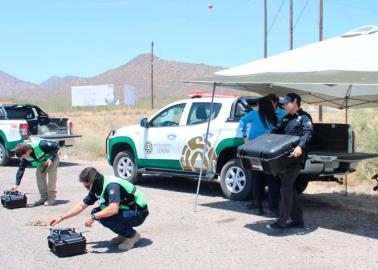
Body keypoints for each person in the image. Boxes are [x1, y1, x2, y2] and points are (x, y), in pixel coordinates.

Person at [49, 167, 149, 252]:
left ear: (93, 181)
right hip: (127, 210)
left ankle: (132, 236)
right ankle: (124, 234)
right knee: (97, 212)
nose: (86, 188)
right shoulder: (97, 186)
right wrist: (61, 217)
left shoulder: (111, 185)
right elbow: (81, 205)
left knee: (102, 217)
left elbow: (113, 209)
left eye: (87, 186)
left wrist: (94, 217)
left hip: (138, 213)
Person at [267, 93, 313, 232]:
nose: (285, 106)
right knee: (289, 189)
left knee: (285, 187)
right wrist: (263, 140)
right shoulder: (286, 118)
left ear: (295, 102)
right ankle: (298, 220)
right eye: (284, 104)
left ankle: (282, 222)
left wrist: (300, 146)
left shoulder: (304, 117)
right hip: (284, 158)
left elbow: (308, 133)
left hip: (296, 159)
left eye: (287, 103)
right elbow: (275, 131)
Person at [240, 95, 285, 216]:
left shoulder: (255, 114)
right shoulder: (280, 115)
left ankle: (258, 205)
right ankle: (273, 208)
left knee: (257, 178)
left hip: (255, 150)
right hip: (272, 151)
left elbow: (242, 121)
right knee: (273, 179)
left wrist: (245, 137)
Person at [11, 139, 60, 206]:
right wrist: (16, 184)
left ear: (27, 151)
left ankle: (51, 198)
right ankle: (44, 198)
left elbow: (56, 146)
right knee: (39, 175)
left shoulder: (42, 144)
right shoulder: (24, 157)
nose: (22, 158)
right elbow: (21, 169)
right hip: (42, 161)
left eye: (22, 156)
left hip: (52, 158)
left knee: (51, 177)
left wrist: (51, 158)